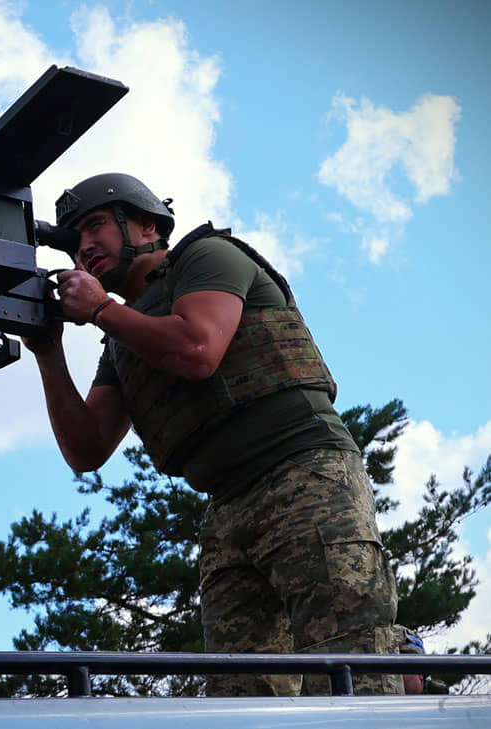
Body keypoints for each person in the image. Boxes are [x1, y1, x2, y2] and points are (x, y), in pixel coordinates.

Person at [28, 172, 401, 696]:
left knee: (347, 662)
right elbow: (86, 449)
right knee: (241, 695)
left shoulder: (207, 257)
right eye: (74, 240)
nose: (84, 247)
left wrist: (101, 310)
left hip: (303, 474)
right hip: (225, 509)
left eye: (95, 226)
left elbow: (198, 349)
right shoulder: (122, 336)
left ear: (147, 224)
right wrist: (48, 350)